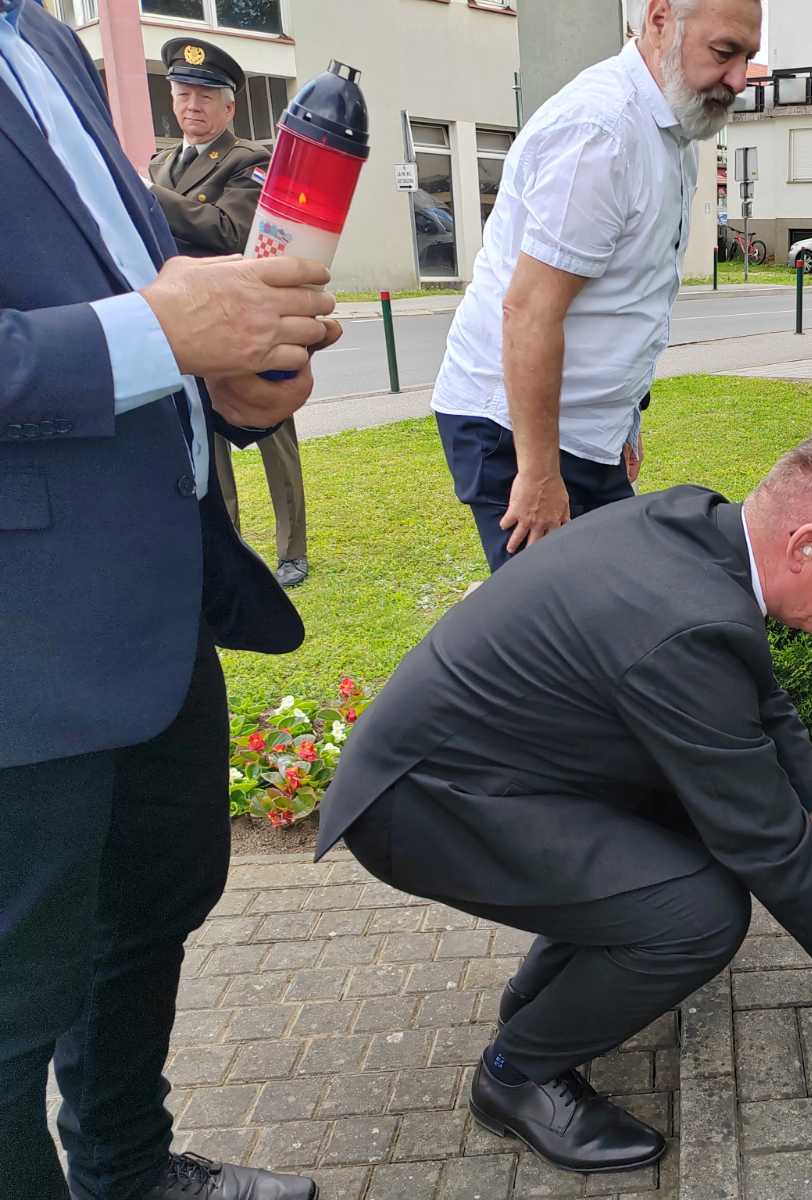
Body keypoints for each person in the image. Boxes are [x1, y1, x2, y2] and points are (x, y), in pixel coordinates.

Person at [316, 425, 812, 1175]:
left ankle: (543, 1001)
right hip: (424, 804)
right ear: (807, 544)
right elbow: (769, 849)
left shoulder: (697, 525)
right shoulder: (687, 621)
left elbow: (760, 695)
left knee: (685, 859)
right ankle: (517, 1074)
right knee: (699, 916)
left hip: (493, 770)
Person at [0, 3, 339, 1198]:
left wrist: (224, 379)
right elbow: (133, 317)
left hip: (155, 597)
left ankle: (129, 1173)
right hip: (21, 638)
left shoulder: (36, 38)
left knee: (149, 916)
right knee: (10, 1021)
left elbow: (120, 266)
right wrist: (152, 336)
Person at [431, 0, 760, 571]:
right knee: (556, 628)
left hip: (582, 430)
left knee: (604, 605)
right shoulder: (601, 132)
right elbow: (531, 312)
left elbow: (628, 299)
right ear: (660, 20)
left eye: (748, 58)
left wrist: (621, 422)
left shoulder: (674, 130)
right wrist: (537, 475)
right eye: (724, 53)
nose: (738, 78)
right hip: (513, 431)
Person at [149, 36, 313, 589]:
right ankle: (230, 542)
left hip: (244, 314)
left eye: (204, 95)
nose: (191, 106)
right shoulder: (161, 163)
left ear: (229, 107)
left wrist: (152, 195)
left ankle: (293, 547)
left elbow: (229, 230)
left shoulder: (250, 161)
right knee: (205, 438)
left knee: (272, 434)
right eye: (182, 93)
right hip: (184, 321)